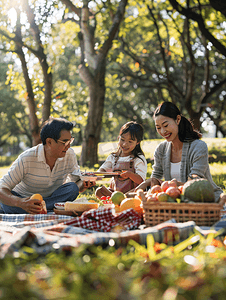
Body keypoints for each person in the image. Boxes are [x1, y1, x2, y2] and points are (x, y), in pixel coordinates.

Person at [135, 101, 226, 205]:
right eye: (158, 127)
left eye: (165, 125)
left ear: (177, 119)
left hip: (205, 202)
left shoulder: (198, 147)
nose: (163, 131)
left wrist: (168, 184)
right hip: (177, 203)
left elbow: (195, 181)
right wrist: (146, 184)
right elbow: (155, 178)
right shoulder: (161, 149)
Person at [0, 117, 96, 214]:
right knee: (7, 203)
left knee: (72, 188)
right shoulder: (27, 158)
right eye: (65, 142)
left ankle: (40, 209)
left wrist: (83, 184)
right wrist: (21, 203)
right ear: (49, 142)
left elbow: (76, 184)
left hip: (51, 197)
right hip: (24, 200)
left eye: (70, 141)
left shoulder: (69, 154)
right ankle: (45, 208)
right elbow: (1, 189)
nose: (69, 146)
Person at [95, 121, 147, 199]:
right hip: (115, 192)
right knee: (99, 191)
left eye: (130, 141)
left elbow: (141, 181)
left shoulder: (138, 158)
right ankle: (116, 199)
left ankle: (120, 199)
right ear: (119, 137)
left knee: (135, 193)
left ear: (137, 142)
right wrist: (95, 176)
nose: (125, 144)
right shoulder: (114, 157)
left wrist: (130, 174)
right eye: (122, 139)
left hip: (131, 193)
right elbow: (103, 169)